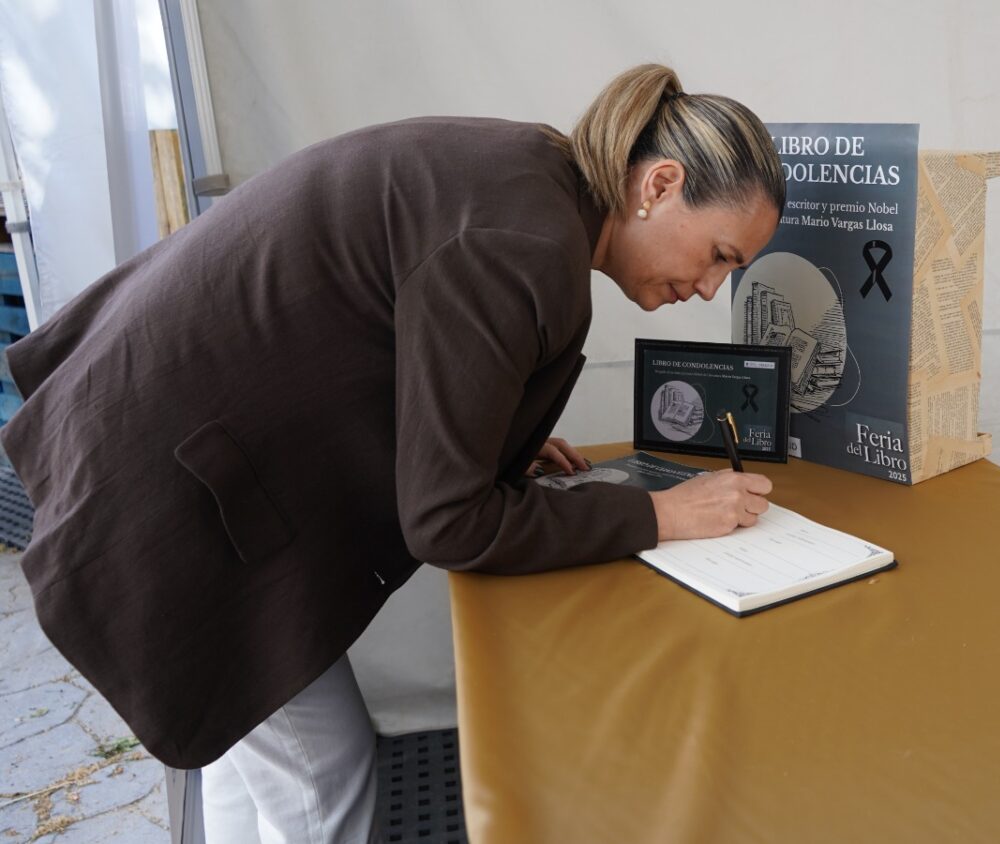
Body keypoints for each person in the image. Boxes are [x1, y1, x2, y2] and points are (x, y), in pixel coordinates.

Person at [0, 63, 783, 842]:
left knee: (248, 756)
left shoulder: (531, 174)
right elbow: (448, 523)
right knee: (322, 779)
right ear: (659, 185)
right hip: (171, 487)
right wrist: (660, 516)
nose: (710, 288)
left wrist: (490, 429)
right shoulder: (525, 242)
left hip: (154, 436)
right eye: (720, 254)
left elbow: (397, 329)